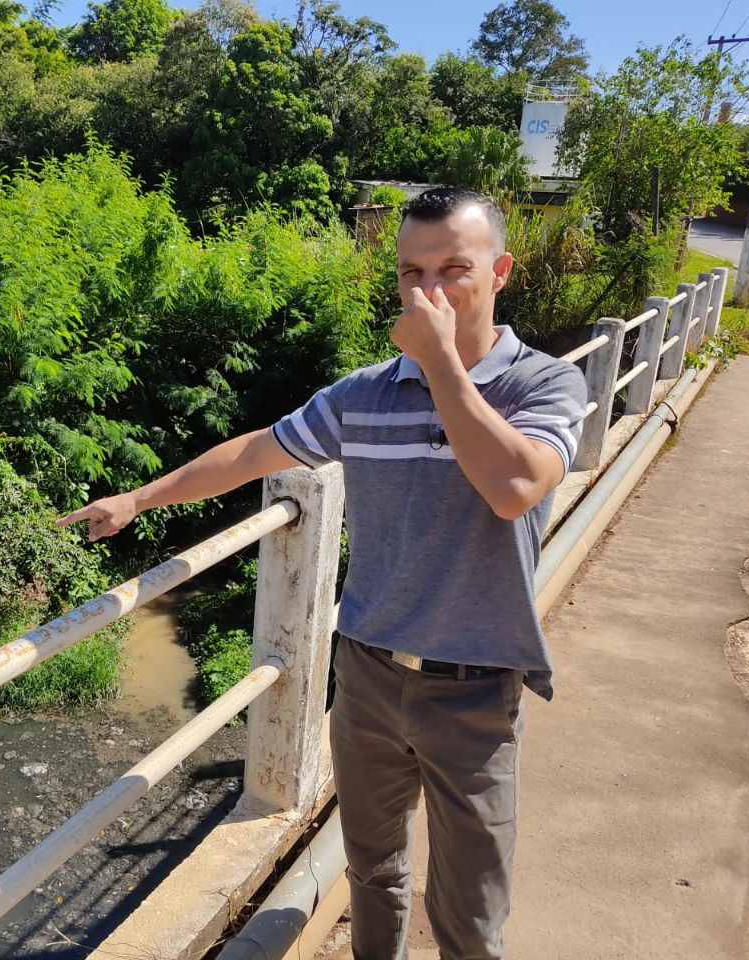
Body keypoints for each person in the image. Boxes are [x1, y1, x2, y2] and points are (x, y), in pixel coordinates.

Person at [57, 187, 588, 960]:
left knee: (470, 918)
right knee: (373, 872)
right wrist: (141, 497)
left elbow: (512, 489)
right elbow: (255, 450)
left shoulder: (541, 386)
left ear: (501, 271)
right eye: (412, 272)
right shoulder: (364, 395)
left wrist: (440, 361)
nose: (429, 291)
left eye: (453, 269)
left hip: (475, 688)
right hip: (368, 672)